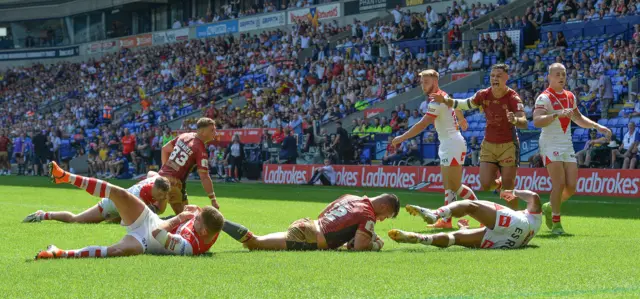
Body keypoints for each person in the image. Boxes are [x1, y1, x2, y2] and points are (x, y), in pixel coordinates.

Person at [35, 161, 224, 259]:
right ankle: (65, 176)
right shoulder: (211, 227)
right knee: (119, 194)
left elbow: (158, 233)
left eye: (197, 220)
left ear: (204, 231)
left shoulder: (188, 248)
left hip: (148, 239)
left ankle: (59, 253)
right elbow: (217, 222)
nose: (194, 219)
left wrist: (180, 217)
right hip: (148, 219)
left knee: (116, 251)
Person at [430, 64, 528, 209]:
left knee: (508, 189)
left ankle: (515, 222)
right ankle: (499, 183)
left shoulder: (513, 98)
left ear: (506, 78)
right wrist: (446, 100)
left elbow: (524, 122)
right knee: (486, 184)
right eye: (492, 76)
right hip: (488, 144)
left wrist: (514, 120)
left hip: (508, 145)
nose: (495, 78)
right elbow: (464, 104)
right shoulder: (483, 94)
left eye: (498, 76)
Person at [533, 63, 612, 235]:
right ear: (549, 77)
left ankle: (548, 207)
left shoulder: (570, 96)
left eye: (563, 74)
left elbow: (578, 118)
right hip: (550, 143)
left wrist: (598, 127)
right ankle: (556, 223)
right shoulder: (543, 97)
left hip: (566, 144)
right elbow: (537, 121)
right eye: (557, 74)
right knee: (559, 183)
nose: (561, 77)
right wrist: (556, 114)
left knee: (572, 187)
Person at [392, 69, 477, 229]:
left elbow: (422, 124)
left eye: (426, 82)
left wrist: (402, 138)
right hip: (448, 143)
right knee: (450, 187)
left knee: (455, 186)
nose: (422, 85)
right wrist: (461, 118)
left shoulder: (436, 101)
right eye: (422, 82)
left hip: (452, 143)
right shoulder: (442, 95)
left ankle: (480, 212)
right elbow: (455, 105)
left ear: (435, 82)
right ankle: (447, 221)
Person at [222, 193, 399, 251]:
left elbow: (324, 212)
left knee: (256, 242)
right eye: (386, 215)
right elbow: (359, 247)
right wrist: (376, 244)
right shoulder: (367, 215)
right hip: (307, 237)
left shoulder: (351, 197)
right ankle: (219, 221)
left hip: (307, 225)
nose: (382, 219)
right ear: (383, 206)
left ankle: (219, 221)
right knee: (255, 243)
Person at [389, 189, 542, 249]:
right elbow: (496, 230)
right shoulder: (535, 225)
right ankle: (420, 238)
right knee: (454, 238)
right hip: (510, 243)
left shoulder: (530, 218)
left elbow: (534, 197)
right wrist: (464, 229)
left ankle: (435, 214)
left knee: (470, 206)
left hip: (517, 224)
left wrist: (512, 191)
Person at [23, 171, 171, 224]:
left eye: (165, 195)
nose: (162, 197)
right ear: (154, 188)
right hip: (109, 206)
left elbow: (152, 172)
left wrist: (163, 198)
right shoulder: (139, 198)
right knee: (76, 220)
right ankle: (43, 215)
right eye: (160, 194)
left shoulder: (155, 180)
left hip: (121, 206)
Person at [159, 117, 218, 214]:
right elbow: (204, 176)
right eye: (212, 130)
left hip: (161, 177)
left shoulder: (184, 136)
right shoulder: (200, 150)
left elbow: (165, 149)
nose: (215, 132)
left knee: (186, 214)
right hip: (175, 183)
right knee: (184, 218)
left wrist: (164, 170)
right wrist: (213, 198)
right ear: (202, 131)